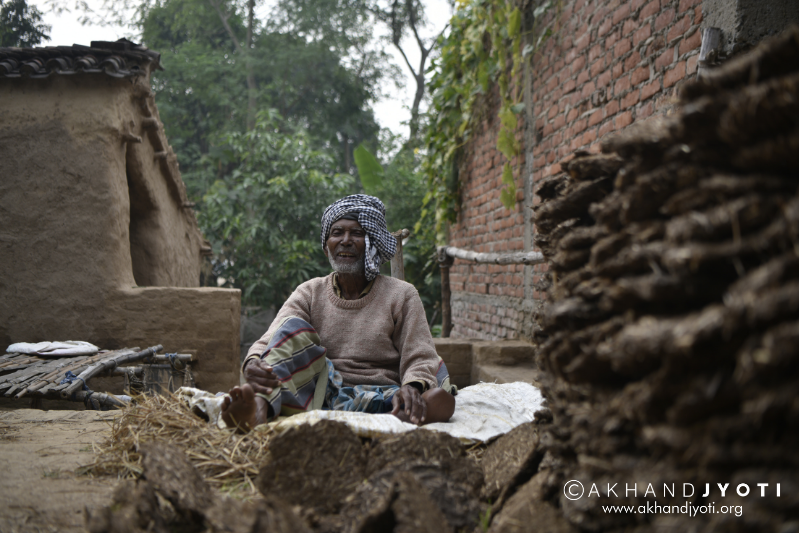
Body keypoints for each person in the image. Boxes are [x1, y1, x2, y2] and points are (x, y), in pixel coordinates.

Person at [221, 194, 456, 433]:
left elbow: (419, 354)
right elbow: (275, 337)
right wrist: (253, 363)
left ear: (373, 241)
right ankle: (259, 410)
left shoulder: (401, 294)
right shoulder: (310, 292)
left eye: (357, 233)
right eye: (337, 233)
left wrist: (413, 388)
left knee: (435, 381)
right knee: (291, 328)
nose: (346, 240)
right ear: (326, 246)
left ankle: (404, 413)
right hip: (322, 390)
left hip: (383, 393)